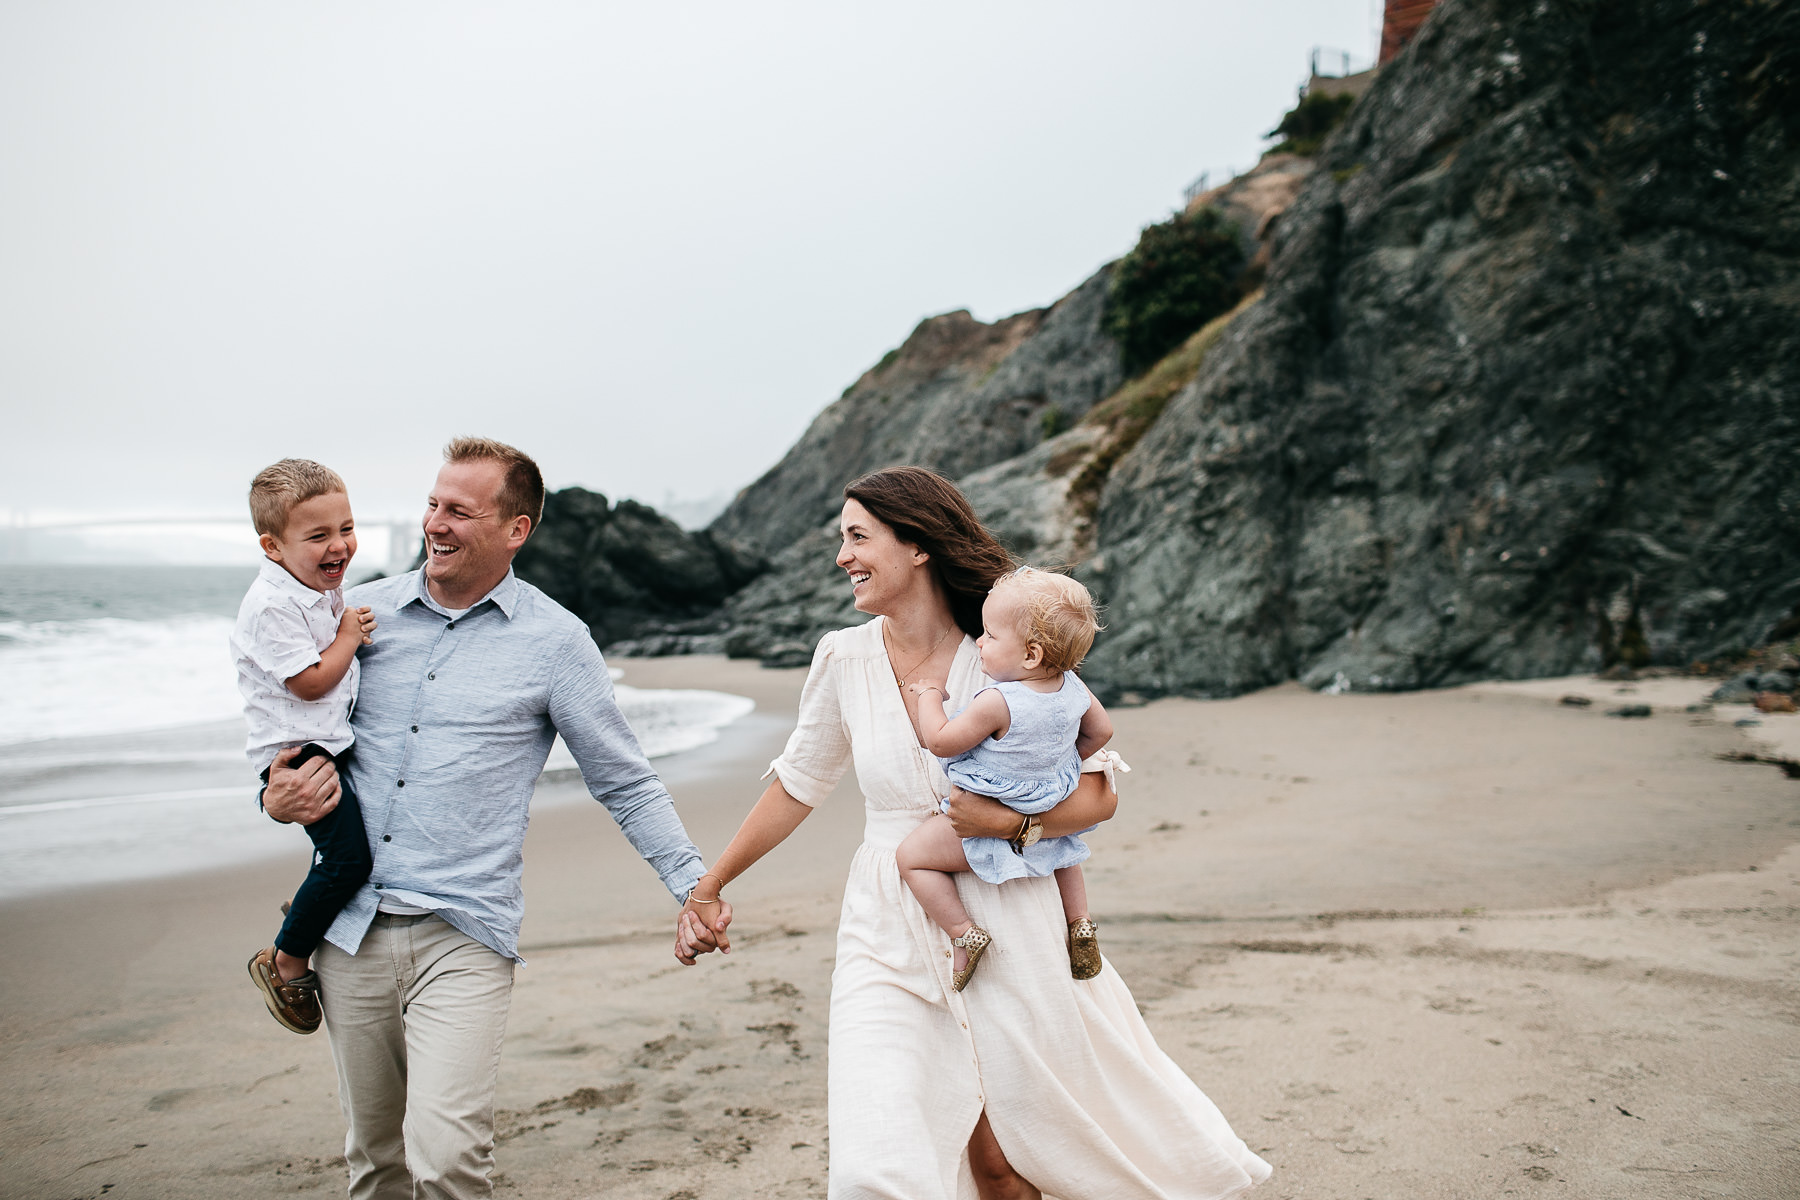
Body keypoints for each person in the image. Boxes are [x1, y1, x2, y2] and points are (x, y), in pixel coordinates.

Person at [677, 466, 1271, 1200]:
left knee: (1009, 1164)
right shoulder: (843, 656)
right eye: (842, 539)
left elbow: (1100, 789)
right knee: (877, 1161)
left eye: (858, 537)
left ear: (918, 544)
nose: (842, 558)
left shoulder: (1006, 652)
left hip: (1011, 911)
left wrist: (1010, 822)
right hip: (886, 918)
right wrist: (710, 885)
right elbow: (799, 783)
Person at [261, 437, 720, 1200]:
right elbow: (287, 735)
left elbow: (626, 783)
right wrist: (273, 797)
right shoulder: (357, 618)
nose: (436, 525)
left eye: (460, 512)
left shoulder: (556, 642)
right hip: (347, 931)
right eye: (433, 505)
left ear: (516, 530)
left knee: (446, 1164)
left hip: (464, 934)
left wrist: (693, 886)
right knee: (374, 1162)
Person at [895, 565, 1113, 992]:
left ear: (1031, 654)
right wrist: (1060, 766)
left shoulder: (997, 701)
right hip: (1052, 796)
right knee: (1065, 852)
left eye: (991, 636)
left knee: (912, 857)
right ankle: (1080, 924)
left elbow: (940, 741)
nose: (980, 641)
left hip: (990, 807)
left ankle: (963, 933)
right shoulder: (1073, 687)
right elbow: (1101, 732)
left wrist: (929, 697)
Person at [231, 458, 378, 1035]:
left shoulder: (316, 586)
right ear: (271, 546)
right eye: (318, 536)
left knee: (341, 859)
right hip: (298, 757)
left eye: (345, 528)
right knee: (350, 860)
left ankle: (312, 908)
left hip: (324, 742)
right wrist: (348, 637)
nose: (339, 546)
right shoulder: (271, 606)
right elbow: (311, 681)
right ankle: (285, 960)